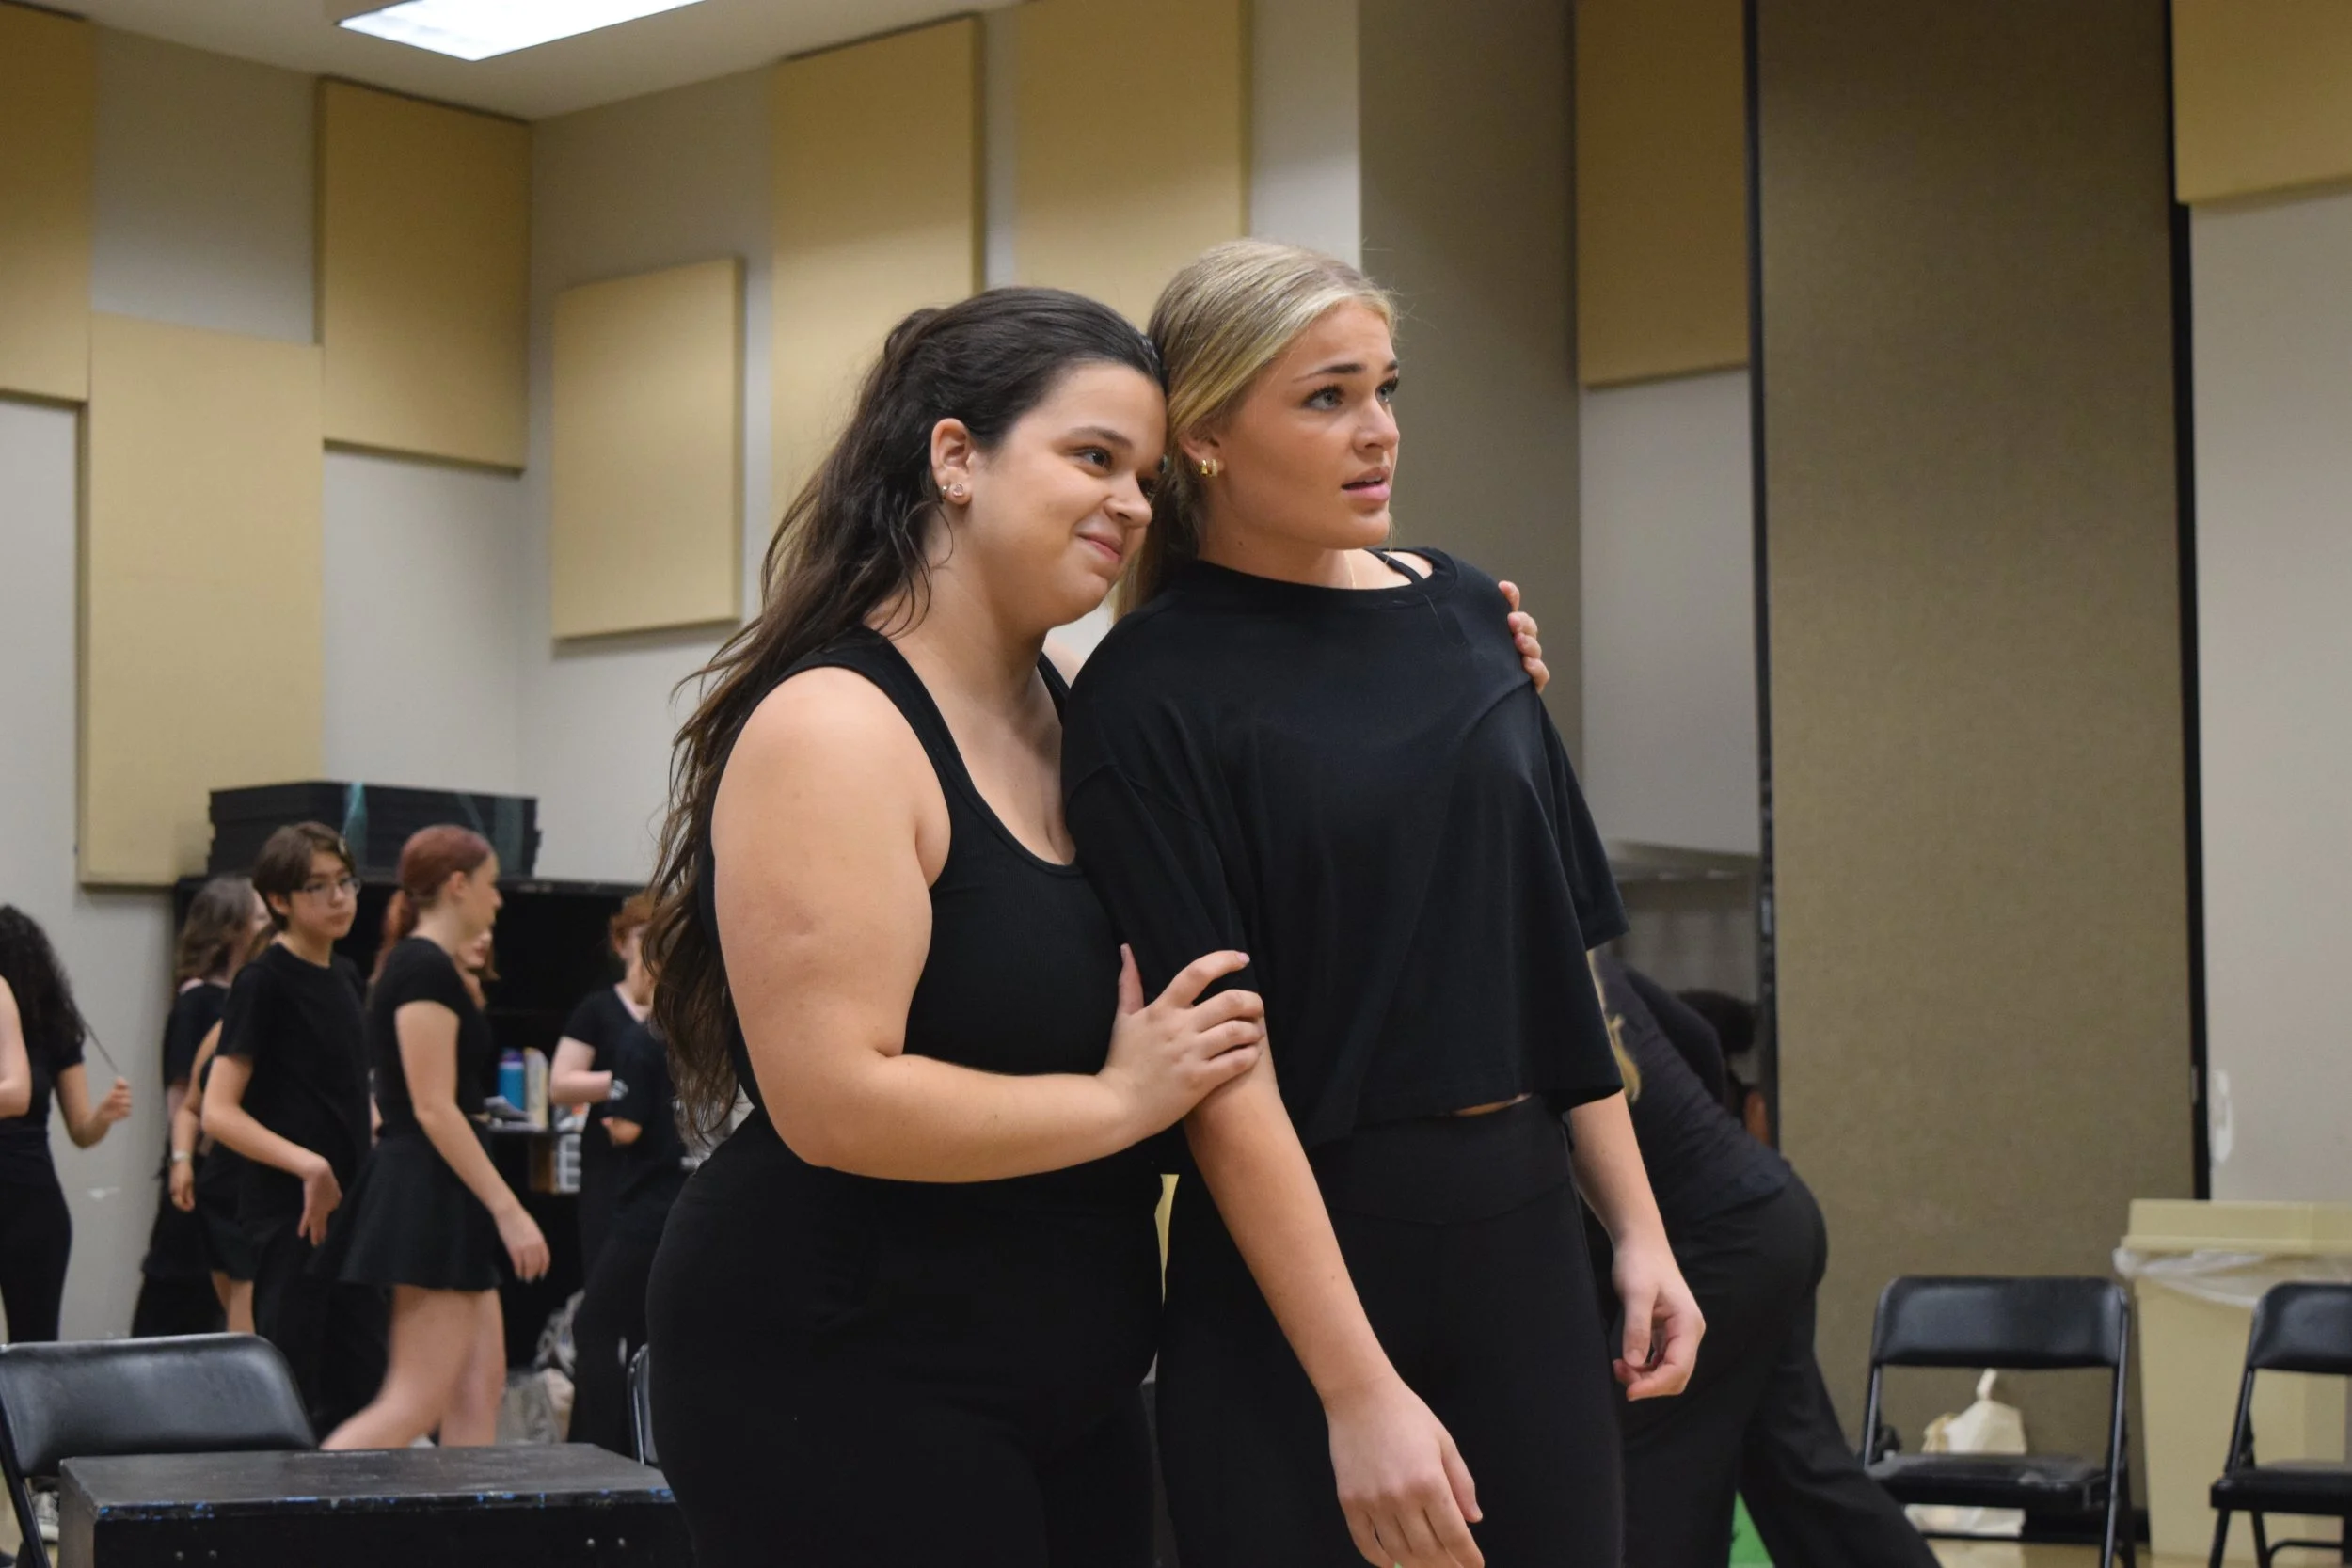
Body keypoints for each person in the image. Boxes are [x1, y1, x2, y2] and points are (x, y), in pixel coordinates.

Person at [1061, 238, 1705, 1568]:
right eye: (1327, 396)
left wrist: (1638, 1228)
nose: (1380, 434)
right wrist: (1356, 1390)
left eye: (1386, 389)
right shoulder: (1146, 693)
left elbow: (1554, 965)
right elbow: (1221, 1067)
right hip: (1307, 1271)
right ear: (1205, 437)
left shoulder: (1468, 609)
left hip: (1525, 1233)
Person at [639, 288, 1281, 1568]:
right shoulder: (836, 724)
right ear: (955, 459)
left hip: (1072, 1363)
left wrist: (1458, 654)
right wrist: (1121, 1100)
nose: (1135, 502)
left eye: (1147, 473)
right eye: (1093, 456)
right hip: (838, 1357)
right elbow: (837, 1098)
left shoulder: (1076, 712)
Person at [1591, 954, 1937, 1568]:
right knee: (1796, 1465)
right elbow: (1698, 1039)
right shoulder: (1594, 964)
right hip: (1768, 1201)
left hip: (1718, 1233)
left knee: (1636, 1463)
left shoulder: (1518, 973)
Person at [326, 827, 549, 1450]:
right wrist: (509, 1210)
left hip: (446, 1192)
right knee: (412, 1401)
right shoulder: (421, 967)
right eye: (490, 884)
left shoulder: (432, 969)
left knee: (479, 1389)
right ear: (458, 885)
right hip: (428, 1193)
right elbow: (432, 1105)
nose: (498, 900)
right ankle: (283, 1529)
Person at [203, 823, 387, 1432]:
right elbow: (218, 1110)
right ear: (279, 900)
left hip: (351, 1207)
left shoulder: (345, 976)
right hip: (290, 1211)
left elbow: (343, 1084)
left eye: (346, 882)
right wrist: (307, 1163)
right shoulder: (264, 981)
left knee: (362, 1379)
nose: (340, 898)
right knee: (293, 1385)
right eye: (319, 886)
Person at [134, 877, 267, 1336]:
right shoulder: (199, 1004)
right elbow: (181, 1098)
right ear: (233, 929)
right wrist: (187, 1160)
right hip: (197, 1175)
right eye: (261, 918)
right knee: (177, 1305)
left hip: (223, 1175)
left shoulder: (244, 998)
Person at [0, 908, 134, 1344]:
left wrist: (104, 1116)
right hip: (27, 1193)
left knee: (34, 1341)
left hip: (30, 1200)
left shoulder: (51, 1031)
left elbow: (81, 1131)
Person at [568, 1014, 688, 1456]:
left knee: (593, 1324)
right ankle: (653, 1451)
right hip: (684, 1202)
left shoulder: (642, 1038)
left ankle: (600, 1448)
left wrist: (613, 1122)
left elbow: (626, 1126)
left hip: (645, 1211)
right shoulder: (696, 1033)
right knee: (649, 1330)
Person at [550, 895, 655, 1275]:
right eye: (644, 936)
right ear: (621, 943)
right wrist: (628, 1082)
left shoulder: (679, 1014)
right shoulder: (597, 1010)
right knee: (605, 1274)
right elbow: (561, 1085)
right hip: (609, 1163)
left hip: (663, 1163)